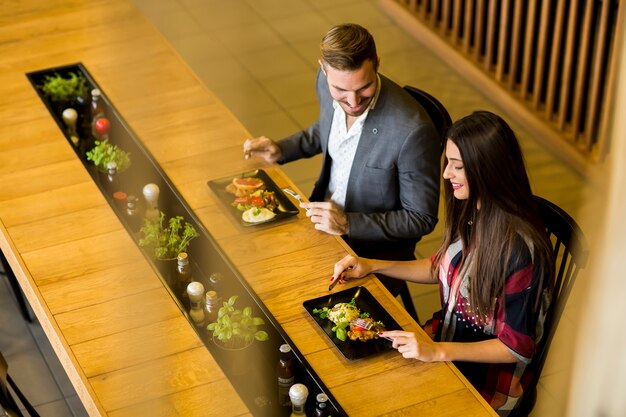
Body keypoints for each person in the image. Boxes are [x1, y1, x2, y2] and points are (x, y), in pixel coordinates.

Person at [331, 111, 555, 415]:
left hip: (485, 380)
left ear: (488, 171)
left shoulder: (521, 251)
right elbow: (440, 268)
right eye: (448, 162)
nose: (447, 174)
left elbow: (515, 346)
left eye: (457, 166)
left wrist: (436, 351)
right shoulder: (473, 209)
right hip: (443, 340)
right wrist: (371, 265)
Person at [243, 23, 441, 295]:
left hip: (372, 252)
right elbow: (328, 129)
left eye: (364, 87)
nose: (353, 101)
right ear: (323, 69)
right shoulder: (324, 83)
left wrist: (349, 223)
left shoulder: (412, 131)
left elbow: (421, 218)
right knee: (254, 263)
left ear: (377, 64)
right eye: (341, 91)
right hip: (320, 219)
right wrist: (282, 149)